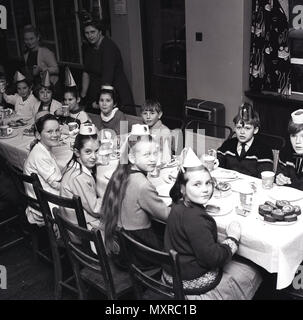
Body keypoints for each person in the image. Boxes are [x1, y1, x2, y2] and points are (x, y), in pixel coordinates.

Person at [164, 147, 262, 299]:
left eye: (208, 183)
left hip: (174, 271)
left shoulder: (177, 205)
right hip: (189, 279)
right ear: (183, 188)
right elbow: (213, 258)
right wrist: (233, 238)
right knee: (253, 271)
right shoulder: (195, 219)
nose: (205, 189)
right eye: (197, 184)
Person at [102, 125, 170, 259]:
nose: (153, 159)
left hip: (120, 246)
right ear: (132, 158)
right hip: (137, 252)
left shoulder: (121, 173)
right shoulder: (143, 185)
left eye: (155, 153)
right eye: (146, 154)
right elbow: (167, 216)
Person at [80, 17, 134, 110]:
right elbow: (86, 72)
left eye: (93, 32)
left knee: (121, 122)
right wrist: (83, 96)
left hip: (114, 93)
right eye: (87, 33)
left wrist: (100, 101)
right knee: (97, 122)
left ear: (100, 32)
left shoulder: (109, 48)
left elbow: (107, 78)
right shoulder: (88, 48)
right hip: (97, 93)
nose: (90, 36)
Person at [60, 122, 102, 231]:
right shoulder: (79, 177)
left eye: (96, 151)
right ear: (77, 152)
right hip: (81, 229)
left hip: (76, 221)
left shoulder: (73, 165)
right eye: (88, 152)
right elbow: (96, 210)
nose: (94, 157)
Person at [24, 114, 62, 225]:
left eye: (57, 130)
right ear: (38, 135)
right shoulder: (40, 155)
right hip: (45, 205)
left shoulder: (41, 148)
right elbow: (57, 184)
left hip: (40, 198)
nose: (55, 135)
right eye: (49, 132)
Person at [217, 103, 273, 178]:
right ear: (234, 128)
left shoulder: (264, 149)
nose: (242, 132)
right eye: (239, 127)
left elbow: (264, 177)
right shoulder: (228, 144)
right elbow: (217, 166)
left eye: (247, 128)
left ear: (255, 130)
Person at [22, 25, 60, 96]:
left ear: (38, 38)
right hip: (36, 89)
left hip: (49, 89)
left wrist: (41, 69)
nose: (29, 42)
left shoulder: (46, 52)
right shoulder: (26, 54)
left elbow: (56, 69)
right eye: (26, 39)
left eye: (31, 39)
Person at [276, 109, 303, 190]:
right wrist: (280, 179)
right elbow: (281, 174)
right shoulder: (286, 152)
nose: (297, 142)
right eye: (294, 136)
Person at [141, 99, 172, 164]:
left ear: (159, 115)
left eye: (152, 113)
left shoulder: (164, 132)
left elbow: (166, 156)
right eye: (145, 113)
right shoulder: (141, 128)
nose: (148, 117)